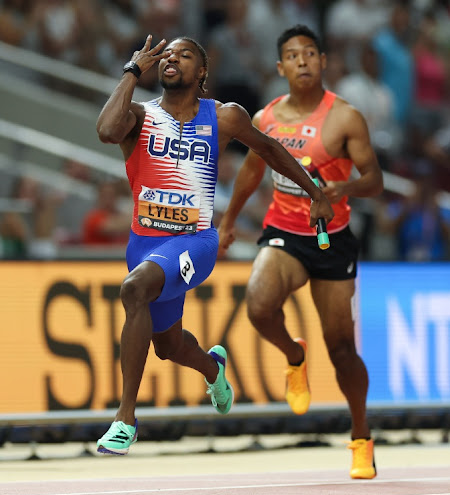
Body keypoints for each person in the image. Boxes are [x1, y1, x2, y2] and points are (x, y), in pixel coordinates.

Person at [94, 34, 334, 455]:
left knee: (134, 289)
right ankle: (213, 368)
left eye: (184, 55)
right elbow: (104, 130)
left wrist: (314, 191)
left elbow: (271, 150)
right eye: (167, 55)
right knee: (167, 347)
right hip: (143, 242)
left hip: (195, 241)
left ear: (201, 72)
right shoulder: (139, 115)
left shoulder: (223, 117)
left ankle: (125, 418)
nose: (172, 59)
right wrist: (132, 70)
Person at [217, 25, 384, 479]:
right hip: (285, 232)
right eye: (293, 55)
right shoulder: (267, 119)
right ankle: (294, 356)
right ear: (280, 67)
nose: (303, 61)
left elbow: (376, 180)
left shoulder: (346, 118)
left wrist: (342, 186)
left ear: (323, 61)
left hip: (333, 239)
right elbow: (252, 172)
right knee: (258, 304)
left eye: (311, 53)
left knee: (343, 352)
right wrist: (229, 221)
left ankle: (361, 435)